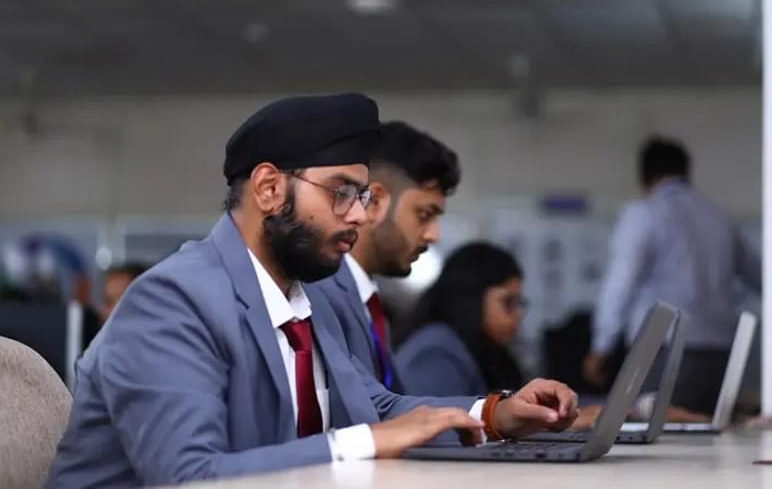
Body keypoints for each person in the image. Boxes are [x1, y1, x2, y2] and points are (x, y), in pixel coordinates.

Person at [45, 93, 578, 487]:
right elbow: (188, 476)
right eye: (341, 193)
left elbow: (375, 406)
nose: (358, 216)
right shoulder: (171, 302)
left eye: (362, 196)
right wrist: (364, 442)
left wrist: (493, 415)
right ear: (269, 189)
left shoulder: (310, 296)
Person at [583, 135, 761, 415]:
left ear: (644, 178)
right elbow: (760, 277)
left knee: (650, 426)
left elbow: (621, 284)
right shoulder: (720, 217)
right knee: (704, 428)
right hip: (720, 350)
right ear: (686, 173)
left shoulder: (644, 213)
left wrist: (601, 346)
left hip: (664, 348)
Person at [313, 121, 460, 392]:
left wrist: (490, 410)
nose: (433, 235)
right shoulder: (321, 298)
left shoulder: (369, 305)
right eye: (424, 215)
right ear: (374, 202)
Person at [395, 242, 526, 397]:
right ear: (473, 297)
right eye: (509, 302)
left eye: (520, 304)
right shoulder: (435, 355)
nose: (518, 313)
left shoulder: (479, 351)